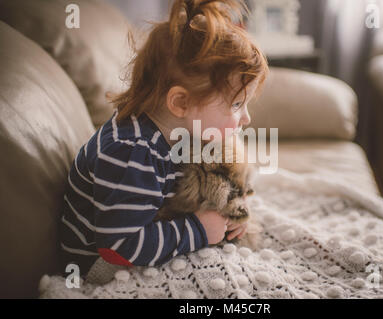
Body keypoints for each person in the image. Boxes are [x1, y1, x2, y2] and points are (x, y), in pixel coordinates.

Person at [60, 0, 269, 277]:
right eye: (235, 105)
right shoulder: (132, 152)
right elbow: (119, 248)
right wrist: (198, 229)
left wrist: (232, 216)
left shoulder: (175, 135)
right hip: (101, 268)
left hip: (137, 247)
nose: (246, 118)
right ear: (180, 102)